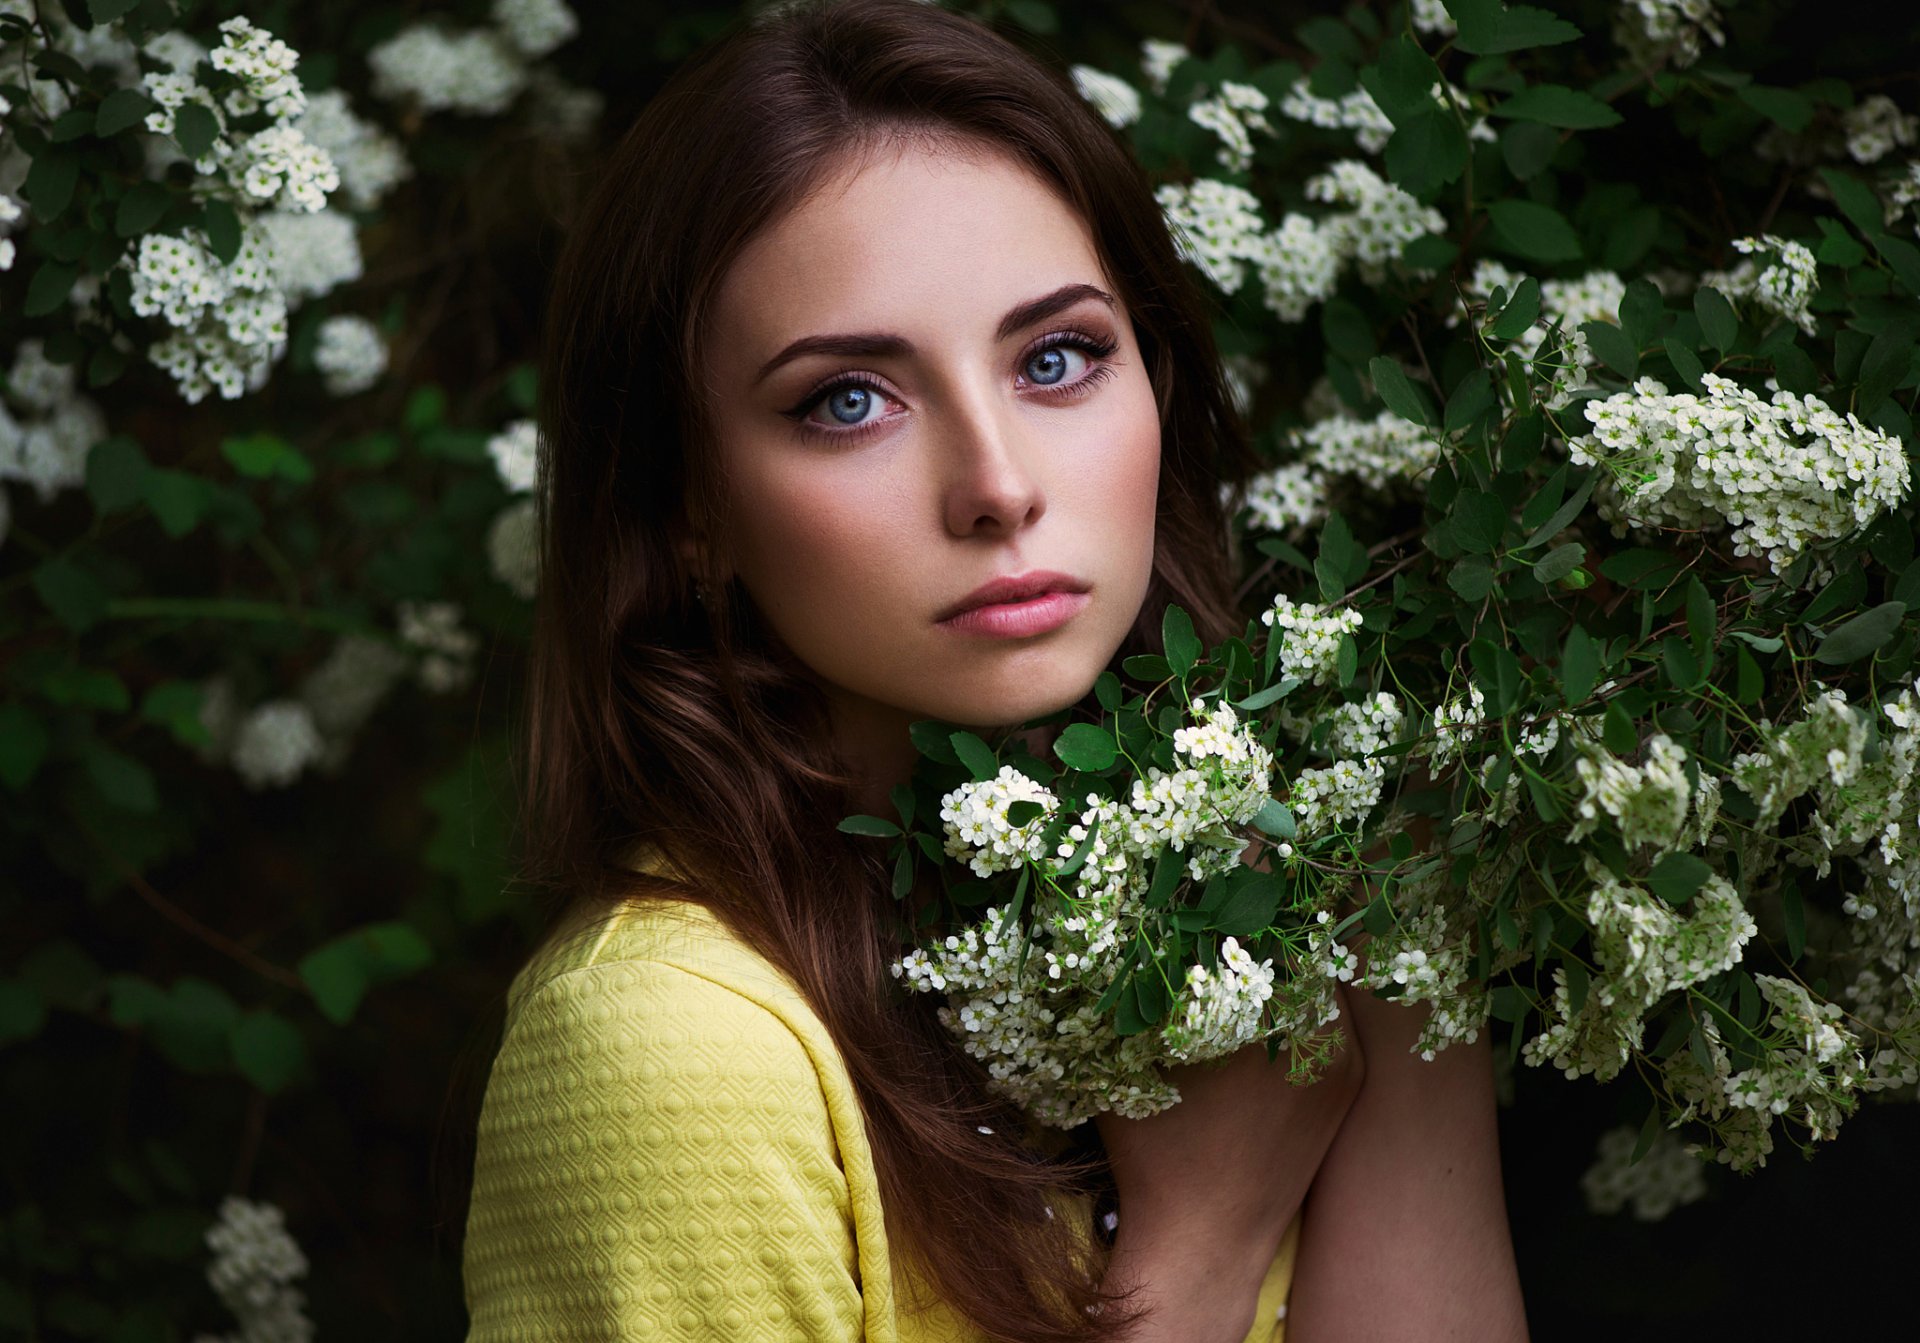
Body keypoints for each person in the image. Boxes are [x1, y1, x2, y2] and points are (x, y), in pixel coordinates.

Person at [459, 2, 1527, 1339]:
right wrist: (1198, 1249)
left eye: (1059, 358)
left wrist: (1395, 969)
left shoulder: (1269, 904)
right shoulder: (672, 1045)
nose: (999, 487)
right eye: (848, 398)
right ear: (690, 508)